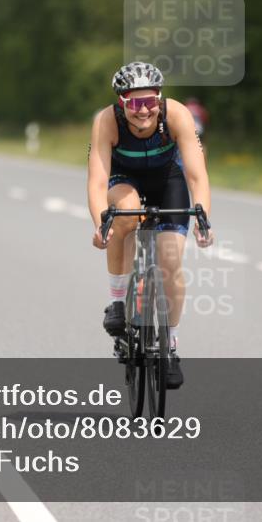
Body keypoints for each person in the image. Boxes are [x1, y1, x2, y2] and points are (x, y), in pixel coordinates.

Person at [87, 62, 213, 389]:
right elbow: (97, 183)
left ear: (160, 99)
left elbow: (197, 175)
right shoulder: (106, 122)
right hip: (123, 178)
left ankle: (169, 345)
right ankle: (118, 301)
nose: (143, 112)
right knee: (123, 214)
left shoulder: (177, 115)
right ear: (121, 104)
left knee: (171, 259)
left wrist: (202, 217)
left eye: (150, 102)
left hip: (167, 178)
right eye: (134, 104)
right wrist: (100, 223)